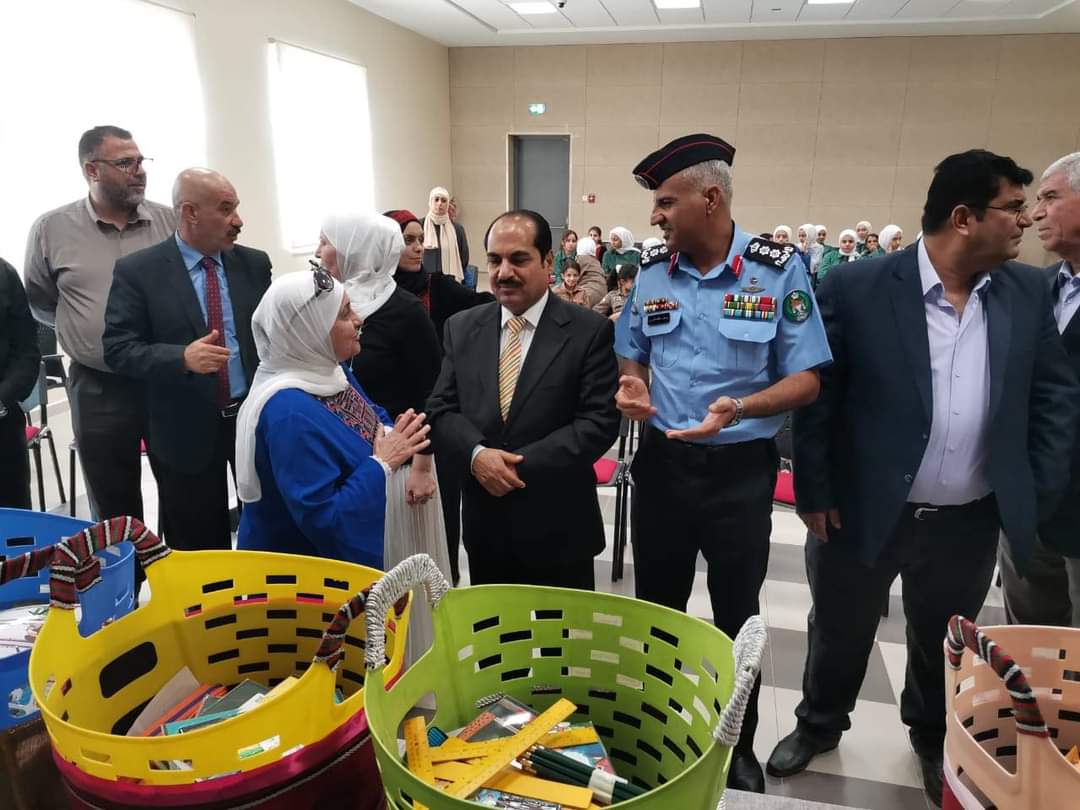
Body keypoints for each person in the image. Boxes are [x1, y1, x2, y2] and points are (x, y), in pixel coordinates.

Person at [767, 150, 1079, 806]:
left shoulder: (1026, 292)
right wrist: (815, 490)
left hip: (969, 515)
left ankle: (933, 732)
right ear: (964, 218)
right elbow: (819, 398)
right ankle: (819, 723)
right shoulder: (859, 287)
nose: (1025, 220)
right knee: (841, 625)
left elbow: (1055, 396)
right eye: (1011, 207)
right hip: (862, 508)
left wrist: (1035, 487)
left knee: (944, 635)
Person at [615, 133, 832, 793]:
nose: (655, 216)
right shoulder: (653, 270)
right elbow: (631, 349)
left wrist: (739, 408)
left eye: (665, 202)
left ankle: (736, 742)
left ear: (710, 198)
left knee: (738, 613)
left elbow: (808, 378)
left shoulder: (777, 270)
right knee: (657, 611)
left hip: (739, 472)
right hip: (663, 467)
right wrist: (633, 386)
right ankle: (655, 731)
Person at [426, 209, 620, 589]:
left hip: (560, 530)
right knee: (495, 627)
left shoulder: (587, 331)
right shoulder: (462, 328)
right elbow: (441, 409)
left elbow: (598, 423)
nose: (504, 272)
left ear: (548, 261)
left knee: (560, 630)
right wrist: (477, 455)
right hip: (487, 530)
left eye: (518, 259)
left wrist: (512, 467)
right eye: (494, 260)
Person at [103, 168, 272, 551]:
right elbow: (118, 348)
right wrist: (180, 357)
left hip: (251, 422)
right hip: (183, 432)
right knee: (199, 544)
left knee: (267, 531)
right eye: (226, 209)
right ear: (190, 212)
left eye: (236, 208)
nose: (238, 221)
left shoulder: (254, 264)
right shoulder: (139, 271)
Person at [24, 125, 175, 521]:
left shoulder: (169, 222)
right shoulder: (51, 229)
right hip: (98, 385)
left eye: (141, 161)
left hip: (167, 378)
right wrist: (86, 330)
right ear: (91, 170)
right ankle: (125, 563)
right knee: (113, 506)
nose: (139, 171)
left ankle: (184, 564)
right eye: (125, 163)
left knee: (184, 493)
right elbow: (41, 300)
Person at [235, 269, 430, 568]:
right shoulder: (288, 413)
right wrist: (382, 464)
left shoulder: (329, 371)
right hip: (301, 578)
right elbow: (326, 521)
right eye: (344, 313)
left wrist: (395, 432)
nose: (358, 319)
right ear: (309, 329)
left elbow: (371, 413)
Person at [385, 208, 494, 586]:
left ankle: (446, 589)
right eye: (408, 240)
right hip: (389, 428)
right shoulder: (369, 295)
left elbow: (484, 302)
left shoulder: (438, 287)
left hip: (436, 418)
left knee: (442, 518)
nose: (418, 248)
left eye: (420, 240)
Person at [998, 152, 1080, 627]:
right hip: (1029, 506)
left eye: (1050, 197)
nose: (1034, 214)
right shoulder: (1034, 287)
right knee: (1030, 644)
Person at [0, 258, 39, 509]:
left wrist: (3, 398)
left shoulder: (3, 273)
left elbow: (26, 351)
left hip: (2, 420)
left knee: (12, 519)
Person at [422, 186, 469, 283]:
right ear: (430, 202)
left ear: (447, 204)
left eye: (443, 201)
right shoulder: (420, 225)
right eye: (436, 199)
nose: (439, 203)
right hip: (424, 281)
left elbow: (463, 258)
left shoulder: (457, 229)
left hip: (450, 281)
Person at [572, 236, 608, 306]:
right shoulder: (596, 261)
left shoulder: (580, 259)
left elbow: (572, 279)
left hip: (588, 293)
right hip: (603, 291)